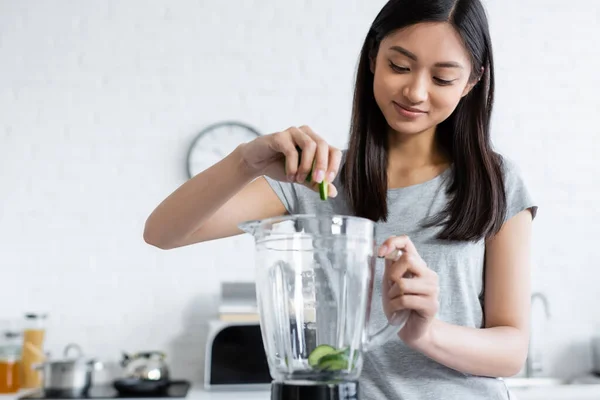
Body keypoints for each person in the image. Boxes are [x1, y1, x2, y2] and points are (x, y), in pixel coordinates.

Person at [144, 0, 537, 398]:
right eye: (399, 66)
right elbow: (163, 232)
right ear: (373, 56)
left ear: (471, 82)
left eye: (443, 78)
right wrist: (246, 160)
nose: (416, 92)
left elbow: (511, 351)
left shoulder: (497, 182)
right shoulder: (317, 179)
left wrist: (425, 332)